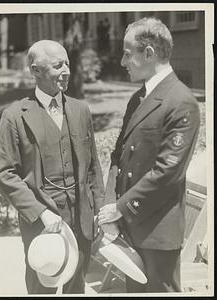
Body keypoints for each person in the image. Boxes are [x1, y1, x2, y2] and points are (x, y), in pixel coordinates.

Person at [98, 17, 200, 293]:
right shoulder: (139, 98)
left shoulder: (181, 101)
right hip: (130, 228)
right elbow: (118, 157)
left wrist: (119, 208)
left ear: (149, 53)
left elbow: (167, 172)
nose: (122, 62)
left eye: (127, 54)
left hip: (157, 233)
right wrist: (111, 211)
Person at [0, 40, 104, 294]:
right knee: (41, 288)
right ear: (35, 70)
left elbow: (92, 167)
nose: (66, 70)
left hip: (81, 221)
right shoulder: (14, 115)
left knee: (76, 287)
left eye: (67, 63)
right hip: (41, 224)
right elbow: (5, 173)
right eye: (57, 65)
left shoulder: (80, 110)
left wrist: (98, 209)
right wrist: (41, 213)